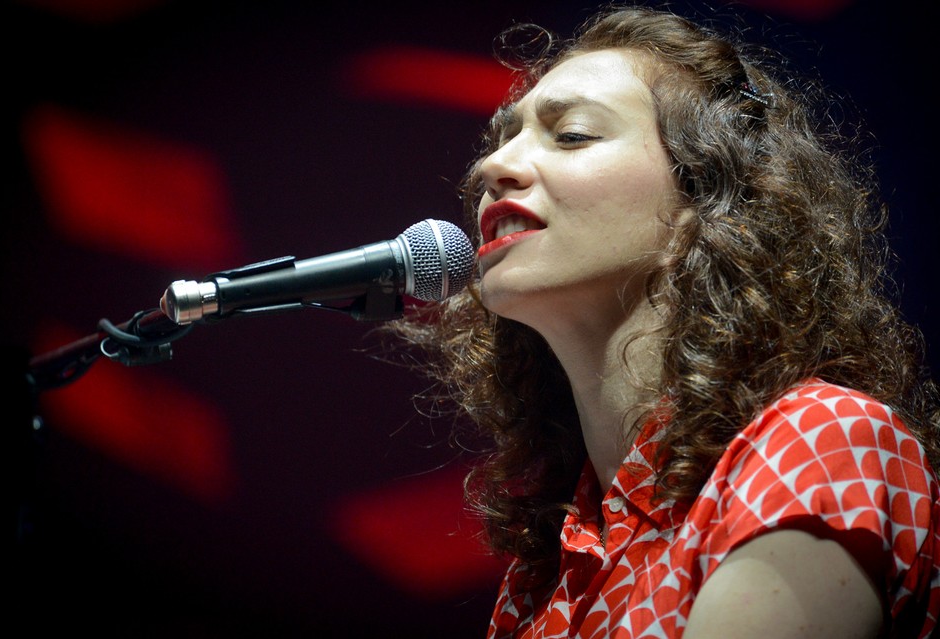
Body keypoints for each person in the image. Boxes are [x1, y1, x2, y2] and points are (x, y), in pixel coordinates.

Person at [383, 3, 940, 637]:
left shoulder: (822, 439)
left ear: (700, 205)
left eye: (572, 135)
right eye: (503, 139)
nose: (491, 167)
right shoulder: (545, 571)